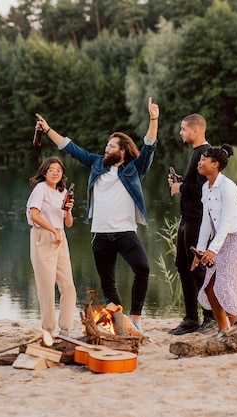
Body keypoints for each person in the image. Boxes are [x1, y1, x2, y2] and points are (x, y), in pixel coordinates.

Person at [34, 96, 159, 332]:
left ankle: (136, 320)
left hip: (125, 232)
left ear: (122, 151)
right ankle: (120, 321)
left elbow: (150, 147)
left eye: (110, 146)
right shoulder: (96, 164)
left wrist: (153, 119)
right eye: (106, 145)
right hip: (100, 234)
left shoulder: (133, 169)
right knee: (107, 283)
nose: (106, 148)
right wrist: (48, 129)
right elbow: (69, 147)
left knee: (142, 268)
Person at [190, 144, 237, 338]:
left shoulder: (228, 187)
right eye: (200, 159)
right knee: (210, 287)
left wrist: (213, 250)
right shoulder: (206, 187)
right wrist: (201, 251)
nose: (199, 162)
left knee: (223, 285)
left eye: (204, 160)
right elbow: (206, 221)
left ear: (216, 164)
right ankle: (224, 331)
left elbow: (226, 222)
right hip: (222, 241)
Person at [167, 114, 216, 335]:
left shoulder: (205, 155)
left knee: (197, 269)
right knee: (183, 265)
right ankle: (190, 318)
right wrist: (183, 182)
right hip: (187, 219)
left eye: (183, 129)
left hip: (198, 221)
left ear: (195, 131)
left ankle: (210, 317)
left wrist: (180, 188)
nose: (180, 133)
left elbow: (203, 191)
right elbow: (195, 185)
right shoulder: (196, 154)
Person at [26, 156, 77, 347]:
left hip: (60, 237)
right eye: (51, 170)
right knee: (46, 286)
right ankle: (48, 329)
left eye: (59, 170)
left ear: (62, 173)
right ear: (44, 172)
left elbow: (69, 223)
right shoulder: (41, 189)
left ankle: (65, 328)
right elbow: (34, 214)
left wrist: (69, 209)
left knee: (68, 286)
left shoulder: (63, 192)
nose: (55, 173)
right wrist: (52, 230)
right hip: (43, 237)